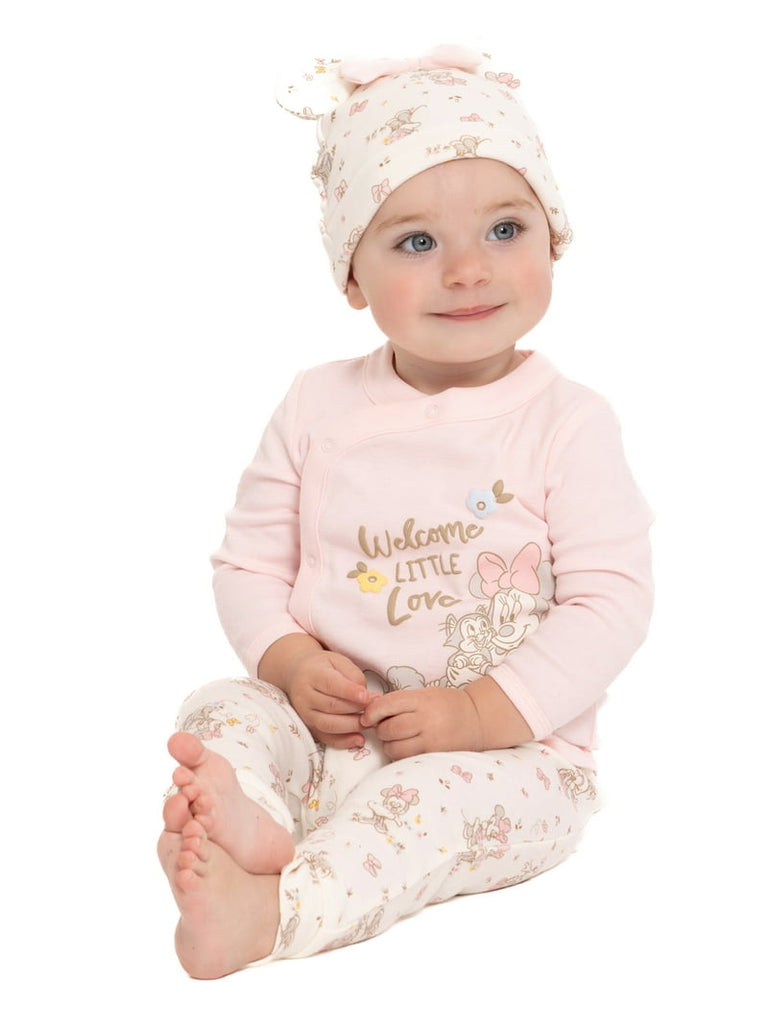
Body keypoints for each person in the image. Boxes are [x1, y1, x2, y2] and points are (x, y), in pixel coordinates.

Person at [157, 44, 653, 979]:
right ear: (351, 275)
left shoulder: (566, 423)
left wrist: (479, 712)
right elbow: (249, 567)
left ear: (554, 238)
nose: (467, 269)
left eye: (505, 229)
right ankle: (246, 818)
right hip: (330, 736)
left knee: (422, 812)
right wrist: (291, 662)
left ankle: (275, 911)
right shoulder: (317, 406)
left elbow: (611, 604)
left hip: (513, 759)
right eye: (417, 242)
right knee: (220, 704)